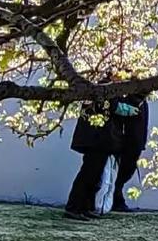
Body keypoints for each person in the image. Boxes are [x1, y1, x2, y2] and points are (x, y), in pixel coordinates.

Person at [64, 92, 148, 220]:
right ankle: (74, 207)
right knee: (89, 174)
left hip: (100, 140)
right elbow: (112, 106)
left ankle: (85, 207)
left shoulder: (106, 89)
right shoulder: (104, 89)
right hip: (97, 140)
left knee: (94, 176)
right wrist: (127, 109)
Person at [110, 95, 149, 212]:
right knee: (121, 171)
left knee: (127, 170)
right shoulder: (128, 98)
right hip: (127, 141)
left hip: (136, 141)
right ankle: (115, 200)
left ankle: (116, 199)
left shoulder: (142, 102)